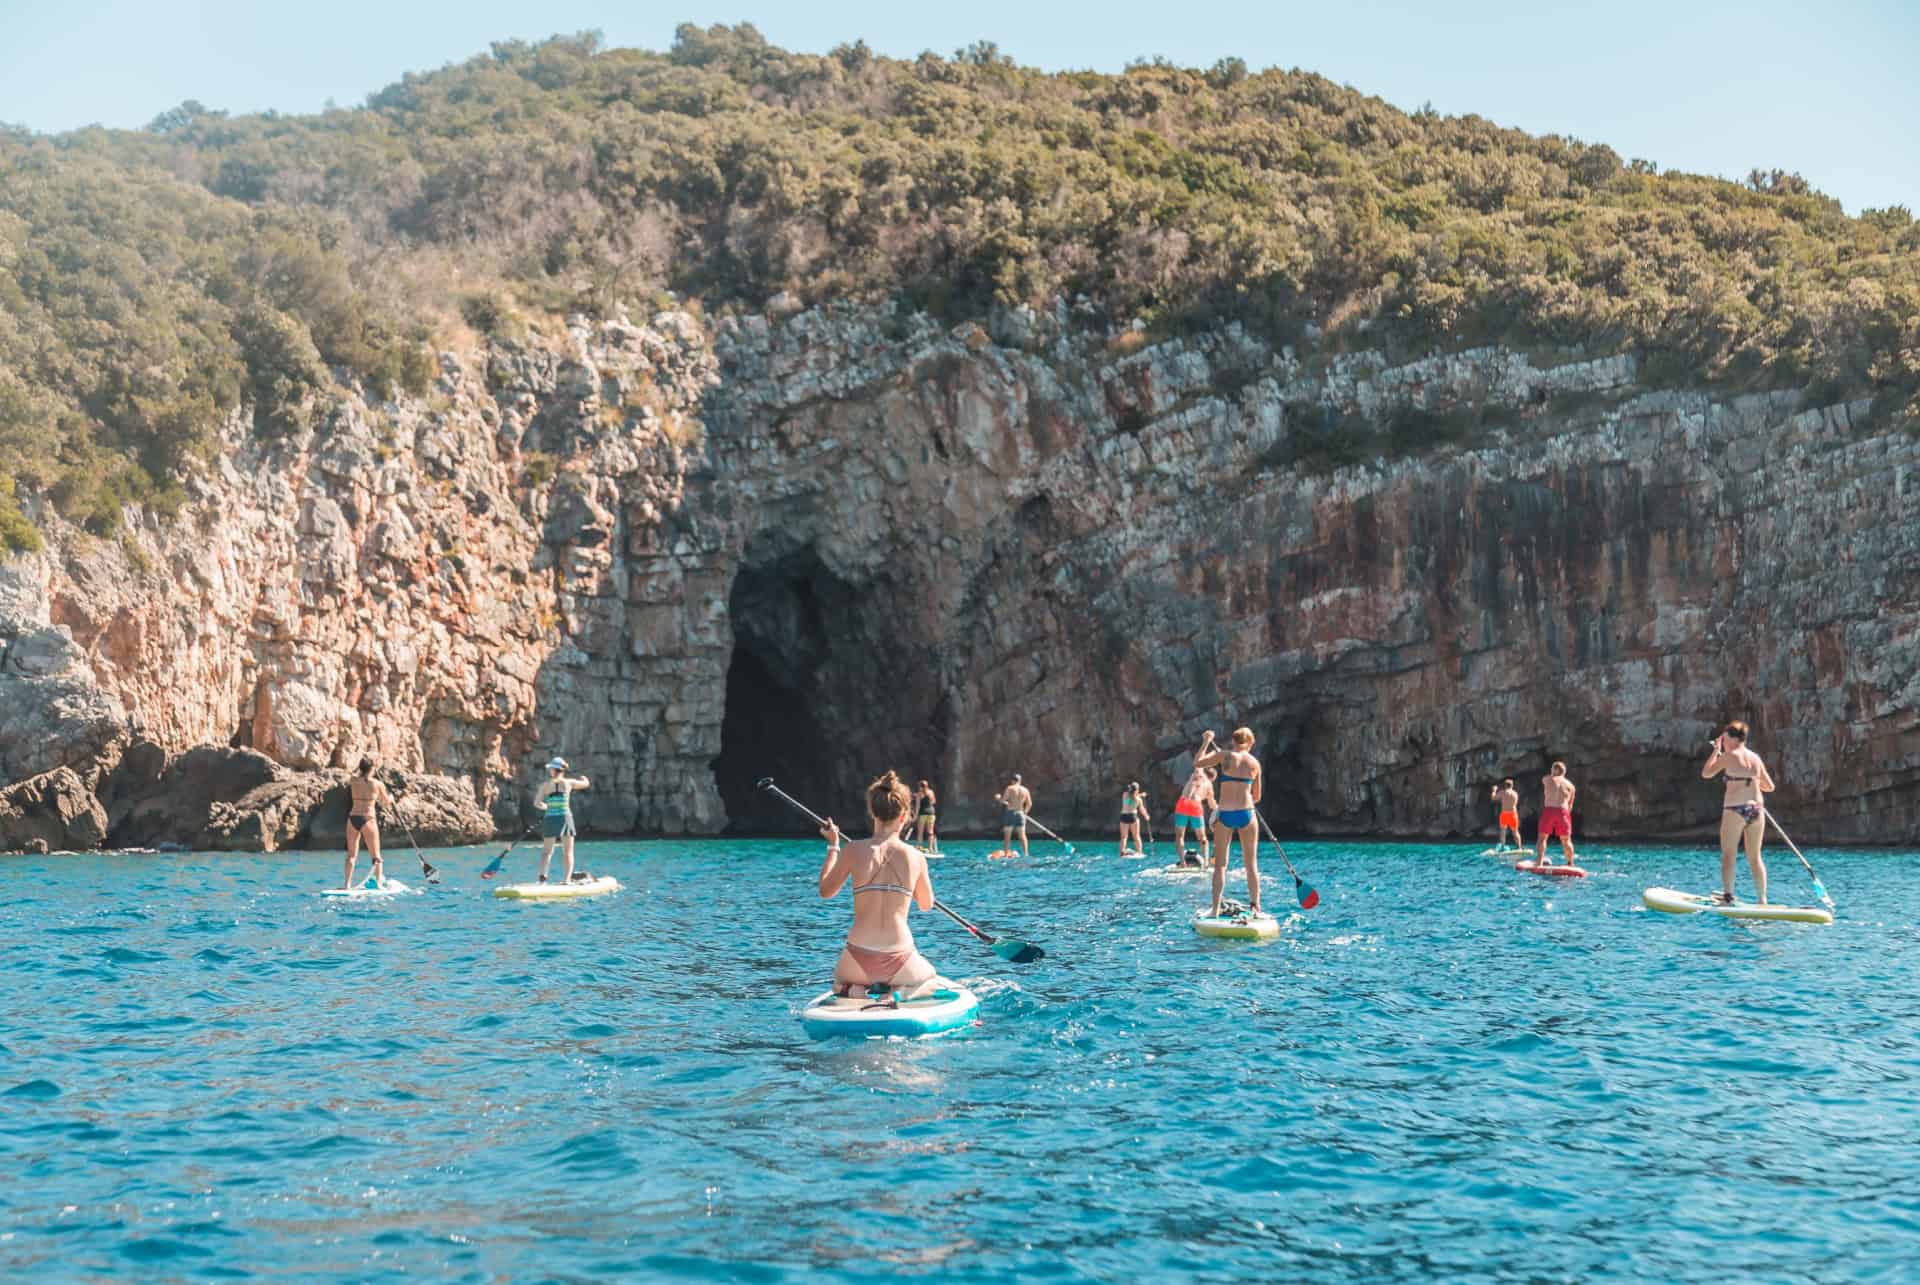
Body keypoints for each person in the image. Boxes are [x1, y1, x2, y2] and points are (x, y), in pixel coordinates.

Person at [817, 770, 952, 999]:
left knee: (838, 985)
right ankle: (898, 994)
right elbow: (927, 904)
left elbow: (825, 891)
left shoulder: (853, 850)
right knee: (931, 978)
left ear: (872, 812)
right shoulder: (915, 857)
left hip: (856, 959)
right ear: (904, 816)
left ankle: (853, 990)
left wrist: (833, 847)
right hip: (900, 958)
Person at [1702, 720, 1775, 904]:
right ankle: (1762, 899)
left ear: (1733, 738)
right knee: (1755, 857)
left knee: (1729, 854)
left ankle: (1728, 896)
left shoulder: (1728, 756)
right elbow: (1769, 786)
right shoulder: (1755, 758)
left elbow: (1707, 773)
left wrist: (1715, 751)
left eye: (1725, 739)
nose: (1723, 742)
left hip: (1735, 809)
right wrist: (1749, 782)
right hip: (1757, 810)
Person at [1194, 728, 1262, 917]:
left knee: (1220, 865)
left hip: (1225, 814)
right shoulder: (1255, 763)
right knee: (1251, 864)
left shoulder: (1224, 756)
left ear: (1233, 740)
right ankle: (1256, 909)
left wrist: (1207, 741)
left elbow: (1197, 762)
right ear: (1251, 742)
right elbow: (1257, 797)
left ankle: (1215, 910)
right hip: (1247, 814)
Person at [341, 757, 395, 890]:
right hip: (368, 818)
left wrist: (361, 769)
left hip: (353, 818)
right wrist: (392, 798)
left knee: (351, 855)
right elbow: (386, 802)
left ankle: (347, 885)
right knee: (376, 856)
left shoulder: (353, 781)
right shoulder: (377, 784)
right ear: (372, 769)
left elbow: (350, 773)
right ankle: (379, 885)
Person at [536, 757, 592, 883]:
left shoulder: (544, 786)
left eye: (550, 768)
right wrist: (585, 779)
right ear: (562, 770)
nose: (549, 770)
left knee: (546, 852)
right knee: (568, 851)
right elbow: (586, 784)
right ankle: (566, 880)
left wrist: (548, 807)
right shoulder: (569, 783)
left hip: (550, 819)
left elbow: (537, 803)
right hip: (565, 818)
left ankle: (542, 880)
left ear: (553, 770)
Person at [1535, 762, 1577, 867]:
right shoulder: (1571, 786)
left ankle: (1539, 863)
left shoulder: (1547, 779)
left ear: (1555, 770)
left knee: (1542, 838)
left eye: (1552, 769)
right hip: (1563, 811)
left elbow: (1545, 781)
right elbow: (1570, 805)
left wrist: (1553, 775)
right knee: (1566, 840)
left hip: (1549, 810)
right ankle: (1571, 864)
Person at [1172, 767, 1216, 866]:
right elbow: (1211, 804)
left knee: (1180, 836)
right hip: (1196, 806)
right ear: (1213, 778)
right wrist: (1218, 808)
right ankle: (1205, 863)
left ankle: (1183, 862)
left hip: (1183, 803)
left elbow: (1198, 762)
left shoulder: (1196, 775)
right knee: (1202, 837)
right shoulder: (1209, 785)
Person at [994, 774, 1032, 859]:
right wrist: (1025, 813)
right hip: (1020, 813)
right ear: (1020, 780)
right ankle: (1026, 854)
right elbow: (1029, 804)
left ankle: (1006, 854)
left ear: (1012, 780)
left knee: (1007, 835)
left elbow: (1003, 800)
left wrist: (998, 798)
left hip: (1010, 813)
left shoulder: (1010, 788)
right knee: (1022, 835)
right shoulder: (1025, 790)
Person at [1490, 778, 1521, 851]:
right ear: (1512, 785)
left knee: (1503, 832)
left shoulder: (1503, 792)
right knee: (1515, 831)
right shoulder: (1515, 793)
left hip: (1504, 814)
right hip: (1513, 814)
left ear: (1505, 785)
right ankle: (1519, 847)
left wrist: (1494, 790)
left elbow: (1493, 798)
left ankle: (1503, 847)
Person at [1118, 781, 1148, 856]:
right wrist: (1146, 816)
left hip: (1124, 816)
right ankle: (1140, 852)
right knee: (1136, 836)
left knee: (1124, 837)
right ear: (1137, 790)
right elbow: (1142, 810)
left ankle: (1122, 852)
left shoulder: (1125, 795)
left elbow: (1132, 794)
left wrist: (1140, 794)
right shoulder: (1138, 800)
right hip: (1133, 816)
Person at [912, 779, 939, 853]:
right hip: (931, 813)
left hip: (923, 813)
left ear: (920, 787)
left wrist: (915, 817)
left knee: (920, 831)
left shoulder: (919, 795)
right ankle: (930, 848)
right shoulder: (931, 792)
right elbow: (933, 802)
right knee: (930, 832)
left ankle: (919, 847)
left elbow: (917, 807)